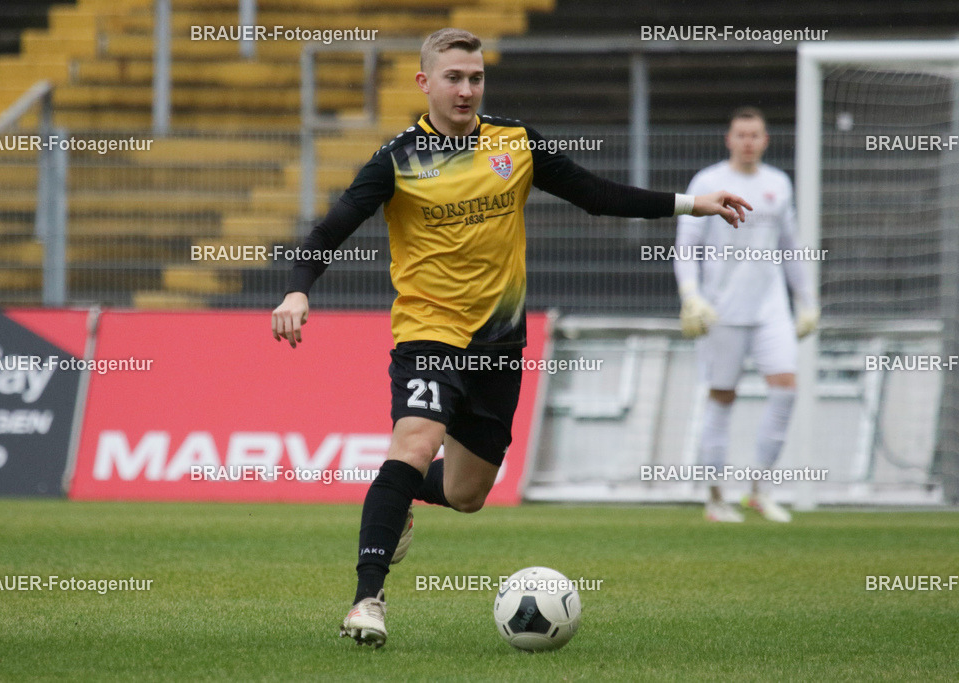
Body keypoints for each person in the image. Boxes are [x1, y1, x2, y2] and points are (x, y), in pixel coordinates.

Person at [272, 27, 751, 647]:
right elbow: (330, 228)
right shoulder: (398, 159)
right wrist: (296, 289)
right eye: (453, 77)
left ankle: (397, 496)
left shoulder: (515, 143)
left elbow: (596, 196)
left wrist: (693, 204)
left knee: (468, 493)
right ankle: (368, 599)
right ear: (425, 83)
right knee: (414, 442)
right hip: (428, 332)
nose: (467, 88)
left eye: (475, 77)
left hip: (499, 342)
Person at [674, 106, 819, 524]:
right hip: (722, 311)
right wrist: (691, 295)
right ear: (729, 139)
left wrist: (806, 300)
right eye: (741, 134)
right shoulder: (708, 181)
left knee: (786, 389)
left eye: (755, 135)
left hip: (770, 307)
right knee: (722, 398)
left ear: (766, 140)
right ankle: (716, 498)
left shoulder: (778, 184)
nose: (748, 142)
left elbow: (791, 247)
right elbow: (687, 246)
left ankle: (759, 490)